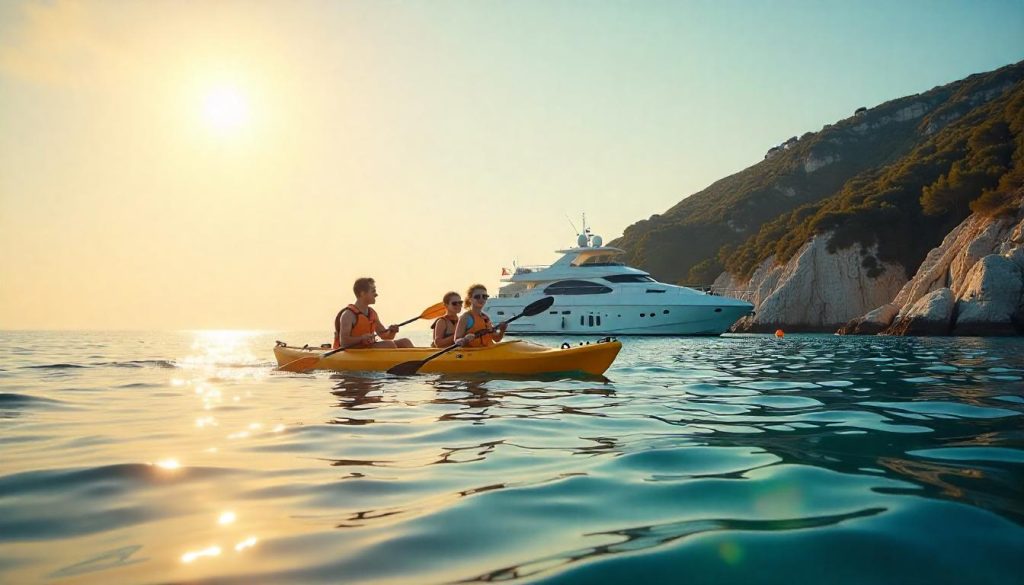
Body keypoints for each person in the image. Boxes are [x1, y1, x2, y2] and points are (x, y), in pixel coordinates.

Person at [334, 277, 414, 349]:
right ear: (362, 293)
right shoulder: (348, 315)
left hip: (368, 349)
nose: (376, 294)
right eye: (373, 291)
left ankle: (417, 364)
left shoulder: (372, 313)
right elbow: (344, 342)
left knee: (405, 342)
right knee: (389, 345)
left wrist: (392, 331)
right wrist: (362, 338)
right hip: (355, 352)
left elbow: (385, 336)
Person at [454, 283, 507, 348]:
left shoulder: (486, 318)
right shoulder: (466, 317)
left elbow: (496, 339)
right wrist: (464, 339)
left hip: (487, 352)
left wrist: (502, 330)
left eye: (484, 297)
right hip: (473, 354)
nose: (481, 299)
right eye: (477, 297)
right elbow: (456, 340)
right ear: (470, 299)